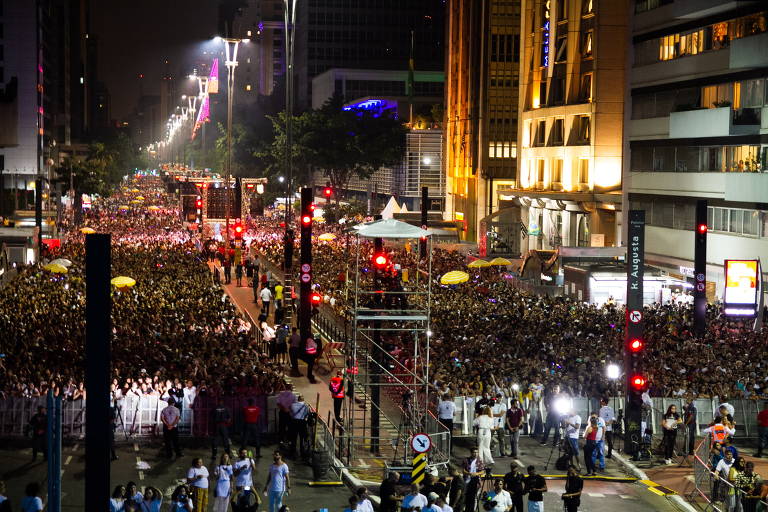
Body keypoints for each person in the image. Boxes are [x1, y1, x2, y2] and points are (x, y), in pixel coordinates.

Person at [462, 447, 485, 512]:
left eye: (476, 452)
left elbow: (483, 471)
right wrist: (469, 473)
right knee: (465, 496)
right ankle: (465, 508)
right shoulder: (466, 460)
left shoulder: (480, 460)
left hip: (476, 482)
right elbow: (463, 470)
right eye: (474, 452)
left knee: (475, 497)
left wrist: (476, 474)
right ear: (471, 453)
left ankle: (473, 509)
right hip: (467, 481)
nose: (475, 454)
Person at [289, 394, 310, 458]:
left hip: (294, 422)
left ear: (298, 399)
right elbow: (307, 415)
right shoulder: (306, 406)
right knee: (302, 437)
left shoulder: (292, 405)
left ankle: (293, 451)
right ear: (303, 400)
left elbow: (290, 413)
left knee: (294, 437)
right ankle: (302, 451)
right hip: (302, 422)